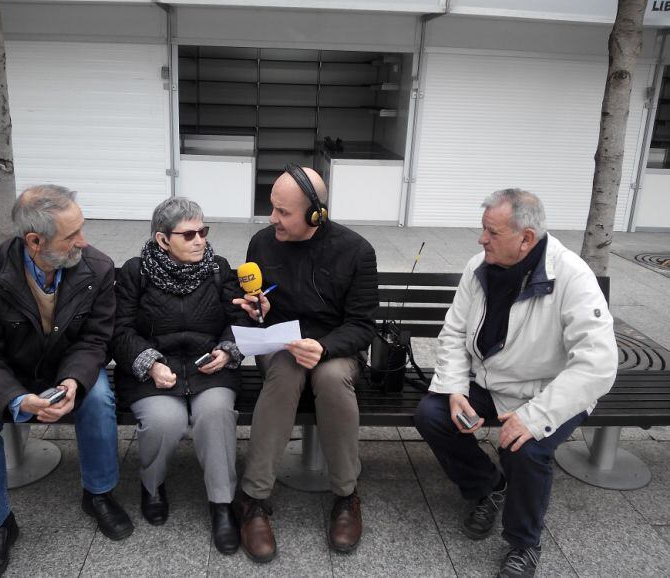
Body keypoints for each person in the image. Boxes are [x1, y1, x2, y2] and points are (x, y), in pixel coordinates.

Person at [415, 188, 618, 578]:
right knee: (433, 413)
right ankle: (489, 487)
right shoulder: (479, 266)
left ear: (526, 238)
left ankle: (524, 544)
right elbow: (455, 332)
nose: (481, 239)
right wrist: (456, 389)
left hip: (549, 391)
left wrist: (534, 417)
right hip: (489, 380)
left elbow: (597, 363)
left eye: (492, 232)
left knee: (524, 447)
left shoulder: (572, 277)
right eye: (483, 229)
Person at [0, 185, 132, 578]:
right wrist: (18, 400)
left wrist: (72, 382)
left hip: (68, 367)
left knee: (98, 397)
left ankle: (99, 493)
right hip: (6, 373)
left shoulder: (98, 268)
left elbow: (95, 340)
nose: (83, 242)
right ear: (34, 241)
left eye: (81, 229)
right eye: (71, 236)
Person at [233, 164, 379, 562]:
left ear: (316, 215)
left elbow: (363, 325)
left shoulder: (356, 251)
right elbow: (255, 310)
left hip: (336, 350)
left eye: (283, 212)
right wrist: (257, 309)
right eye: (272, 208)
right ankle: (254, 498)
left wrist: (325, 347)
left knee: (331, 378)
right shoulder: (262, 244)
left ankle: (346, 496)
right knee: (284, 370)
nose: (272, 219)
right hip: (281, 347)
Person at [112, 197, 249, 555]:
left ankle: (221, 504)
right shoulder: (135, 273)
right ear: (162, 240)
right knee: (163, 420)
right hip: (154, 369)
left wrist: (226, 350)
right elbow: (120, 331)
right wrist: (150, 363)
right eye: (188, 234)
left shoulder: (218, 269)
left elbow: (239, 322)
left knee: (216, 414)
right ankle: (152, 486)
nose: (200, 240)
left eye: (203, 231)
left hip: (209, 368)